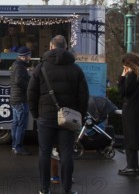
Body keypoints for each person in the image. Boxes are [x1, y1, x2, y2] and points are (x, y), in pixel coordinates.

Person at [27, 35, 88, 194]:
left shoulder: (40, 68)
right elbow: (83, 95)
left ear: (51, 47)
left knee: (45, 152)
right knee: (67, 153)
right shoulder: (76, 69)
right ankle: (67, 189)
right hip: (68, 117)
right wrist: (80, 114)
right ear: (66, 47)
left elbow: (31, 93)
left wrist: (35, 114)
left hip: (45, 116)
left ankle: (44, 189)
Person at [117, 52, 139, 177]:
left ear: (129, 64)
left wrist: (122, 77)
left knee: (130, 137)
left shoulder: (132, 75)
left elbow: (123, 92)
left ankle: (132, 166)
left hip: (131, 111)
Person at [10, 46, 32, 155]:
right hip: (20, 99)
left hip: (14, 99)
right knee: (21, 125)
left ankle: (14, 146)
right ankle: (18, 147)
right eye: (29, 55)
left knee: (15, 123)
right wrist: (29, 86)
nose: (30, 57)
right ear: (24, 57)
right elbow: (19, 81)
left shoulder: (15, 64)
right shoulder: (20, 67)